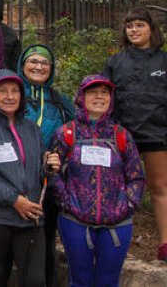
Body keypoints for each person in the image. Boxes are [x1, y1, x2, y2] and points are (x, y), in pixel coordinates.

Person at [50, 75, 146, 287]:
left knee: (108, 282)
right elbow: (52, 171)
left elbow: (136, 176)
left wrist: (128, 204)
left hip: (117, 223)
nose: (99, 97)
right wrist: (66, 201)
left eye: (104, 92)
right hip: (75, 221)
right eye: (93, 92)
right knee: (80, 280)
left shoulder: (121, 135)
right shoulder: (66, 133)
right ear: (81, 97)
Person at [0, 69, 54, 287]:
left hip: (30, 216)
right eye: (3, 91)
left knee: (35, 280)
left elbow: (37, 172)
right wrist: (15, 199)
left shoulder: (32, 129)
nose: (9, 96)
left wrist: (49, 167)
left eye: (15, 91)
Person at [102, 7, 167, 260]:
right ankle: (115, 243)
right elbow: (104, 97)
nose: (134, 30)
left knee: (160, 187)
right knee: (118, 188)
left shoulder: (164, 61)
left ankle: (164, 243)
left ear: (151, 28)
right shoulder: (115, 62)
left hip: (157, 133)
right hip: (121, 135)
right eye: (130, 26)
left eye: (140, 25)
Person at [16, 44, 74, 283]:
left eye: (44, 63)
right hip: (14, 181)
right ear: (22, 64)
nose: (38, 67)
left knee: (46, 242)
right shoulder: (11, 94)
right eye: (33, 61)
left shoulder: (61, 102)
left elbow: (75, 136)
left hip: (48, 184)